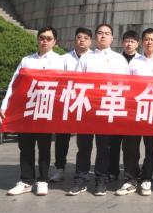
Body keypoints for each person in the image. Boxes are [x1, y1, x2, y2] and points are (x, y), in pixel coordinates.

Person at [0, 26, 65, 196]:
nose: (44, 41)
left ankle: (43, 180)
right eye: (42, 37)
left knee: (44, 146)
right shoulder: (27, 60)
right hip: (27, 110)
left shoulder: (60, 61)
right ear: (38, 39)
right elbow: (14, 84)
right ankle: (26, 180)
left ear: (54, 41)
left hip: (46, 110)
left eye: (48, 38)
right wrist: (5, 105)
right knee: (26, 146)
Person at [68, 24, 129, 196]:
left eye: (107, 33)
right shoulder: (86, 59)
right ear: (95, 37)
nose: (103, 36)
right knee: (84, 147)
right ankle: (80, 179)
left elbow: (125, 85)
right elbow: (77, 81)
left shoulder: (119, 59)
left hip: (107, 109)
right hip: (87, 108)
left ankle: (101, 180)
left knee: (104, 147)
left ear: (112, 38)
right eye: (100, 33)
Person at [115, 28, 153, 197]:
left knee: (151, 147)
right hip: (135, 111)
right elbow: (126, 85)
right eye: (146, 39)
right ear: (142, 42)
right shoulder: (134, 62)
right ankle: (130, 179)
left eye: (152, 39)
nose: (149, 42)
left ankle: (146, 178)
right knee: (130, 147)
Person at [50, 27, 93, 183]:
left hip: (86, 103)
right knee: (62, 138)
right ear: (75, 39)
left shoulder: (95, 58)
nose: (82, 40)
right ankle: (59, 168)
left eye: (85, 38)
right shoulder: (64, 58)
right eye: (79, 37)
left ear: (90, 41)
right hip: (66, 102)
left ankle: (83, 170)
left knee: (85, 140)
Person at [108, 30, 141, 181]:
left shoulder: (142, 60)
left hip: (134, 107)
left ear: (137, 44)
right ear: (122, 43)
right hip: (116, 103)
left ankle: (133, 170)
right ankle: (112, 170)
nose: (129, 44)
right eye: (127, 41)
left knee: (132, 144)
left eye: (132, 41)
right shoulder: (114, 59)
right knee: (113, 141)